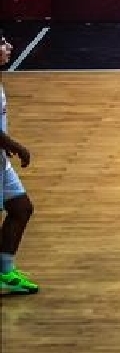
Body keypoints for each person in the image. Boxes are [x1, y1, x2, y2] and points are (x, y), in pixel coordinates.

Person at [0, 32, 37, 294]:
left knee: (21, 208)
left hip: (1, 160)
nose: (9, 46)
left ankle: (5, 271)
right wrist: (15, 146)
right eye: (2, 43)